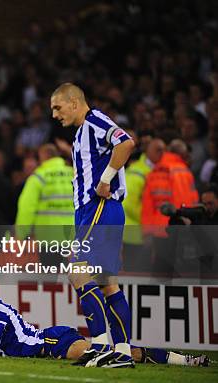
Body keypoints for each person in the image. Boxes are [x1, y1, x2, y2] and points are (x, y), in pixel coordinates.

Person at [0, 267, 210, 368]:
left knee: (112, 354)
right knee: (112, 354)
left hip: (51, 342)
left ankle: (182, 360)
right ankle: (177, 359)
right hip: (45, 345)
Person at [50, 83, 136, 368]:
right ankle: (121, 352)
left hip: (98, 207)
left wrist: (105, 179)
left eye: (58, 107)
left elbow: (126, 142)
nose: (54, 114)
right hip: (93, 210)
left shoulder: (95, 121)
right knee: (107, 283)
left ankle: (99, 344)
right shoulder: (82, 132)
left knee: (76, 269)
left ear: (74, 103)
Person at [141, 139, 199, 273]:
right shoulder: (182, 171)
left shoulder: (154, 172)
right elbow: (183, 202)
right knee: (180, 273)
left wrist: (147, 232)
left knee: (160, 271)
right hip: (177, 230)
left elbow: (148, 206)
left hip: (158, 231)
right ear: (182, 154)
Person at [15, 143, 74, 267]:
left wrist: (21, 234)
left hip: (48, 237)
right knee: (74, 279)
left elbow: (26, 208)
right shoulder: (74, 174)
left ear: (43, 157)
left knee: (51, 279)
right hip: (74, 236)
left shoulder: (38, 177)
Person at [122, 138, 165, 271]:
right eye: (158, 150)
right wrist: (149, 223)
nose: (162, 154)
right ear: (148, 152)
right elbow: (128, 202)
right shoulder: (138, 171)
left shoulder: (155, 170)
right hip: (135, 234)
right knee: (137, 274)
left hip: (146, 233)